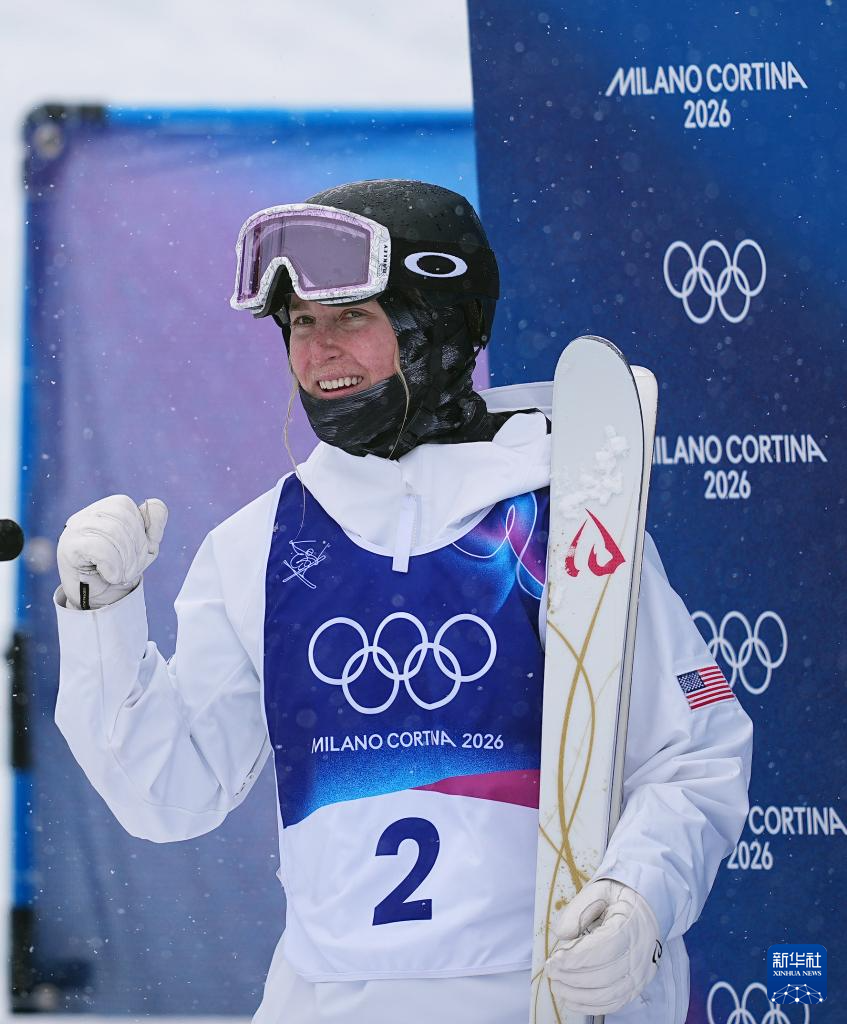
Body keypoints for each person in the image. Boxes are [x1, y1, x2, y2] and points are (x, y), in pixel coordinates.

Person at [53, 179, 754, 1024]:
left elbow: (692, 755)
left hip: (545, 996)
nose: (319, 350)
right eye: (300, 324)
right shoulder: (256, 545)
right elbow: (170, 796)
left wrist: (640, 898)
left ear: (437, 325)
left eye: (350, 315)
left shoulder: (565, 520)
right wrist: (100, 615)